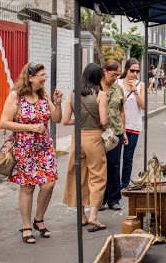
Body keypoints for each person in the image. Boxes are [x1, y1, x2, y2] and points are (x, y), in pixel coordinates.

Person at [0, 62, 62, 243]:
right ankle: (27, 225)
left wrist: (57, 104)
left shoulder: (43, 97)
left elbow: (56, 119)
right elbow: (4, 122)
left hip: (44, 148)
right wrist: (31, 127)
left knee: (49, 184)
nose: (44, 78)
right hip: (24, 148)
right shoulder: (16, 96)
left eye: (45, 75)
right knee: (27, 187)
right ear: (29, 77)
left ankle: (39, 219)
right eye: (41, 75)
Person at [62, 63, 108, 232]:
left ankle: (81, 216)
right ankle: (93, 216)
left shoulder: (73, 94)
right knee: (97, 176)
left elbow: (65, 121)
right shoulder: (100, 95)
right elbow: (103, 121)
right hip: (94, 138)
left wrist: (81, 122)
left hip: (77, 138)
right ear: (98, 78)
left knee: (78, 175)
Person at [100, 60, 126, 211]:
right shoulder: (96, 88)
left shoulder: (118, 89)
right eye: (113, 74)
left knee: (114, 165)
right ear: (104, 71)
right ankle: (100, 198)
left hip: (116, 131)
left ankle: (114, 198)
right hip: (100, 132)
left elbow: (121, 111)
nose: (115, 78)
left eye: (117, 75)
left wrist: (125, 131)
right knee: (100, 166)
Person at [117, 58, 145, 190]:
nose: (134, 74)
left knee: (128, 158)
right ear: (126, 69)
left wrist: (135, 90)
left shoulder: (140, 85)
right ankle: (113, 186)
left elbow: (143, 106)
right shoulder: (117, 83)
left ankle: (124, 184)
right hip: (117, 126)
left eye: (137, 71)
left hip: (133, 125)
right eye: (132, 70)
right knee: (114, 159)